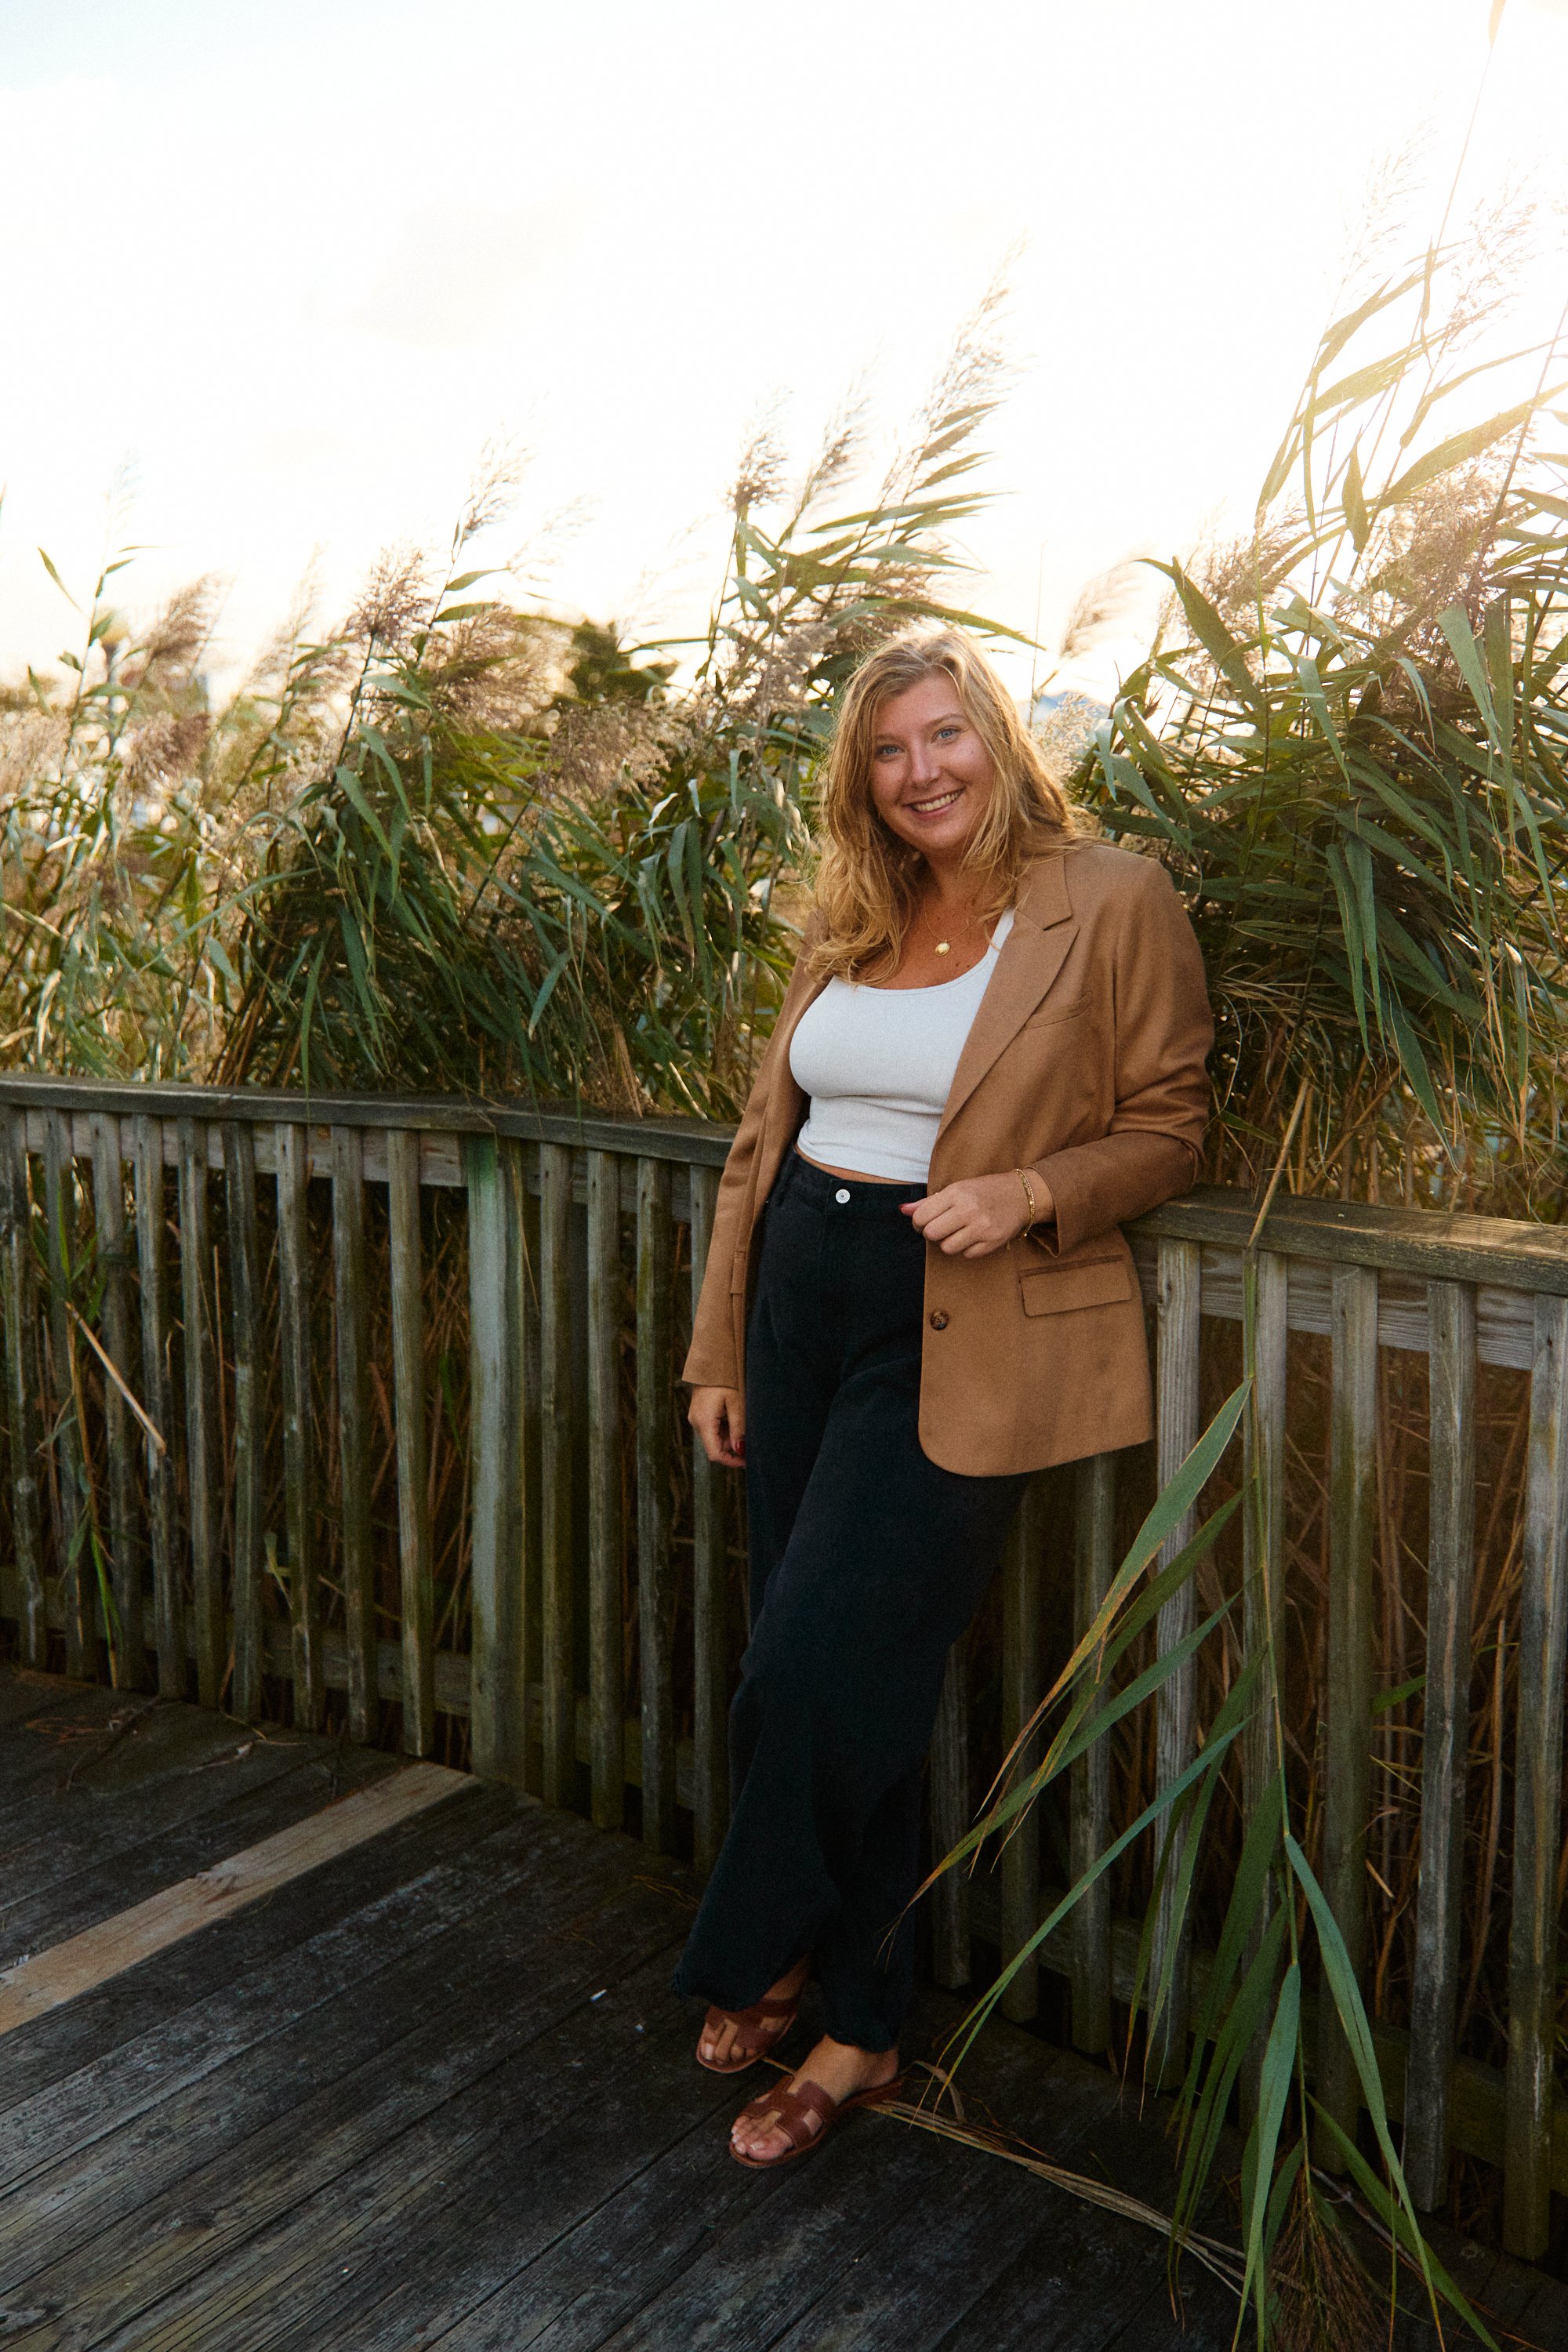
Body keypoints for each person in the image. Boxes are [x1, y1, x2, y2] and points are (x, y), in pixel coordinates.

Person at [677, 626, 1212, 2169]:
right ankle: (859, 2023)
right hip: (800, 1294)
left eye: (943, 736)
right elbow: (760, 1143)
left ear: (997, 736)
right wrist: (719, 1351)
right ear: (864, 782)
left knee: (811, 1670)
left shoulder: (1111, 897)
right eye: (887, 751)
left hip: (956, 1315)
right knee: (842, 1678)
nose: (920, 773)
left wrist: (1029, 1192)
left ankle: (757, 1943)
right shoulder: (853, 913)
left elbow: (1172, 1124)